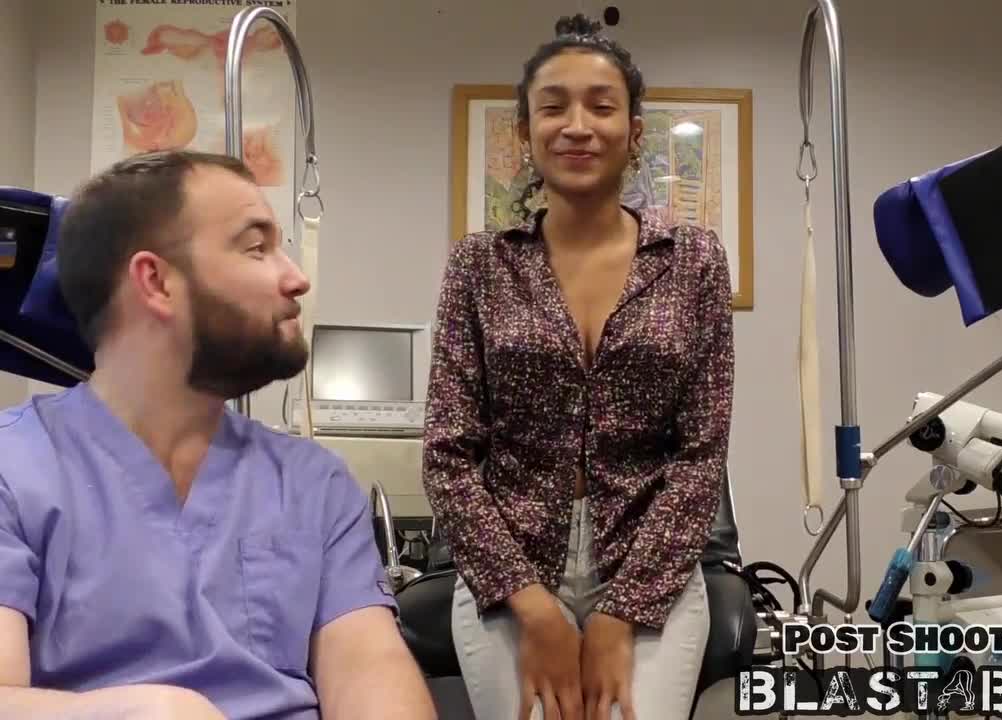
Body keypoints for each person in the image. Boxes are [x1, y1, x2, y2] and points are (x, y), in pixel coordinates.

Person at [0, 150, 437, 720]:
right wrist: (152, 713)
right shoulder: (15, 468)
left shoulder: (314, 483)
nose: (296, 278)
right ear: (156, 281)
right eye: (256, 248)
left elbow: (371, 676)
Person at [423, 13, 735, 720]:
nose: (577, 126)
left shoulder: (694, 261)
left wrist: (622, 614)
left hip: (649, 571)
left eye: (601, 106)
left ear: (634, 131)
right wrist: (533, 610)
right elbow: (447, 455)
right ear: (525, 131)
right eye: (553, 107)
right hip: (511, 577)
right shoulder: (479, 265)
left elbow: (700, 453)